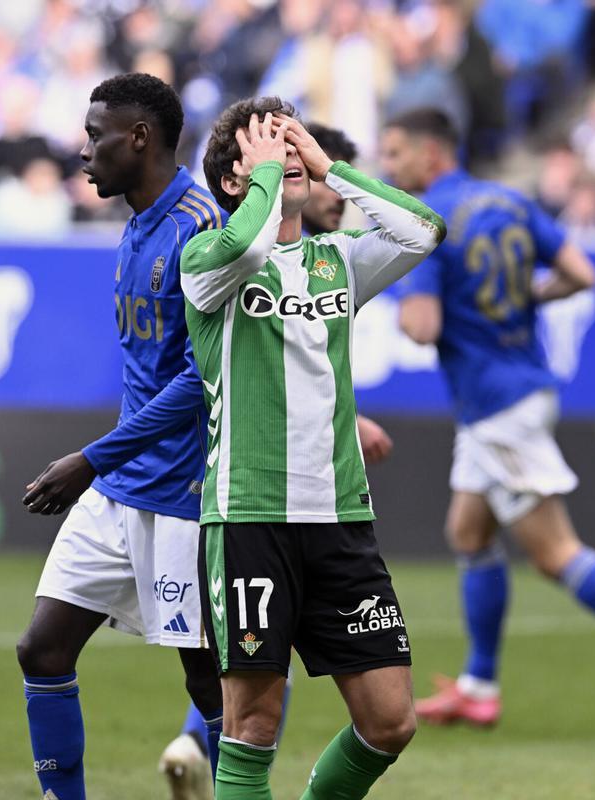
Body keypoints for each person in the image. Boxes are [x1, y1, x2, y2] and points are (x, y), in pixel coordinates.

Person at [378, 107, 595, 734]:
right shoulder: (507, 200)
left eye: (394, 154)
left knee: (555, 553)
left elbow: (422, 328)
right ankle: (480, 685)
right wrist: (521, 297)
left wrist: (402, 305)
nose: (386, 167)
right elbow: (581, 274)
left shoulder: (426, 222)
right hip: (517, 388)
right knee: (469, 531)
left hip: (497, 402)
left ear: (431, 156)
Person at [181, 98, 445, 799]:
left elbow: (423, 230)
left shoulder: (338, 261)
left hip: (340, 520)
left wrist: (333, 168)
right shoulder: (208, 260)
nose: (286, 152)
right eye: (265, 144)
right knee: (253, 724)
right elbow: (244, 246)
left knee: (391, 721)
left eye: (291, 138)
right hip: (249, 519)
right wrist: (269, 179)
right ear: (232, 179)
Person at [15, 73, 225, 800]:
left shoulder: (202, 227)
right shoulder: (137, 220)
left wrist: (90, 458)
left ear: (138, 137)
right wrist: (104, 466)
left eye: (94, 134)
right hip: (120, 484)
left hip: (184, 493)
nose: (83, 152)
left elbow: (202, 382)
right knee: (42, 648)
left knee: (208, 680)